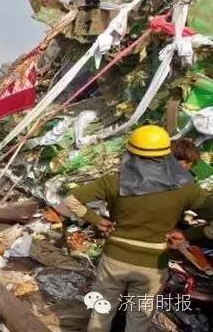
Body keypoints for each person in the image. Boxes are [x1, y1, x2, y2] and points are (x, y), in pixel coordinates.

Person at [63, 125, 213, 332]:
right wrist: (189, 234)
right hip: (153, 265)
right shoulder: (186, 187)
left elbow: (71, 200)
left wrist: (96, 220)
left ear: (131, 152)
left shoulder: (114, 180)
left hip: (114, 259)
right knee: (139, 319)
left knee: (101, 312)